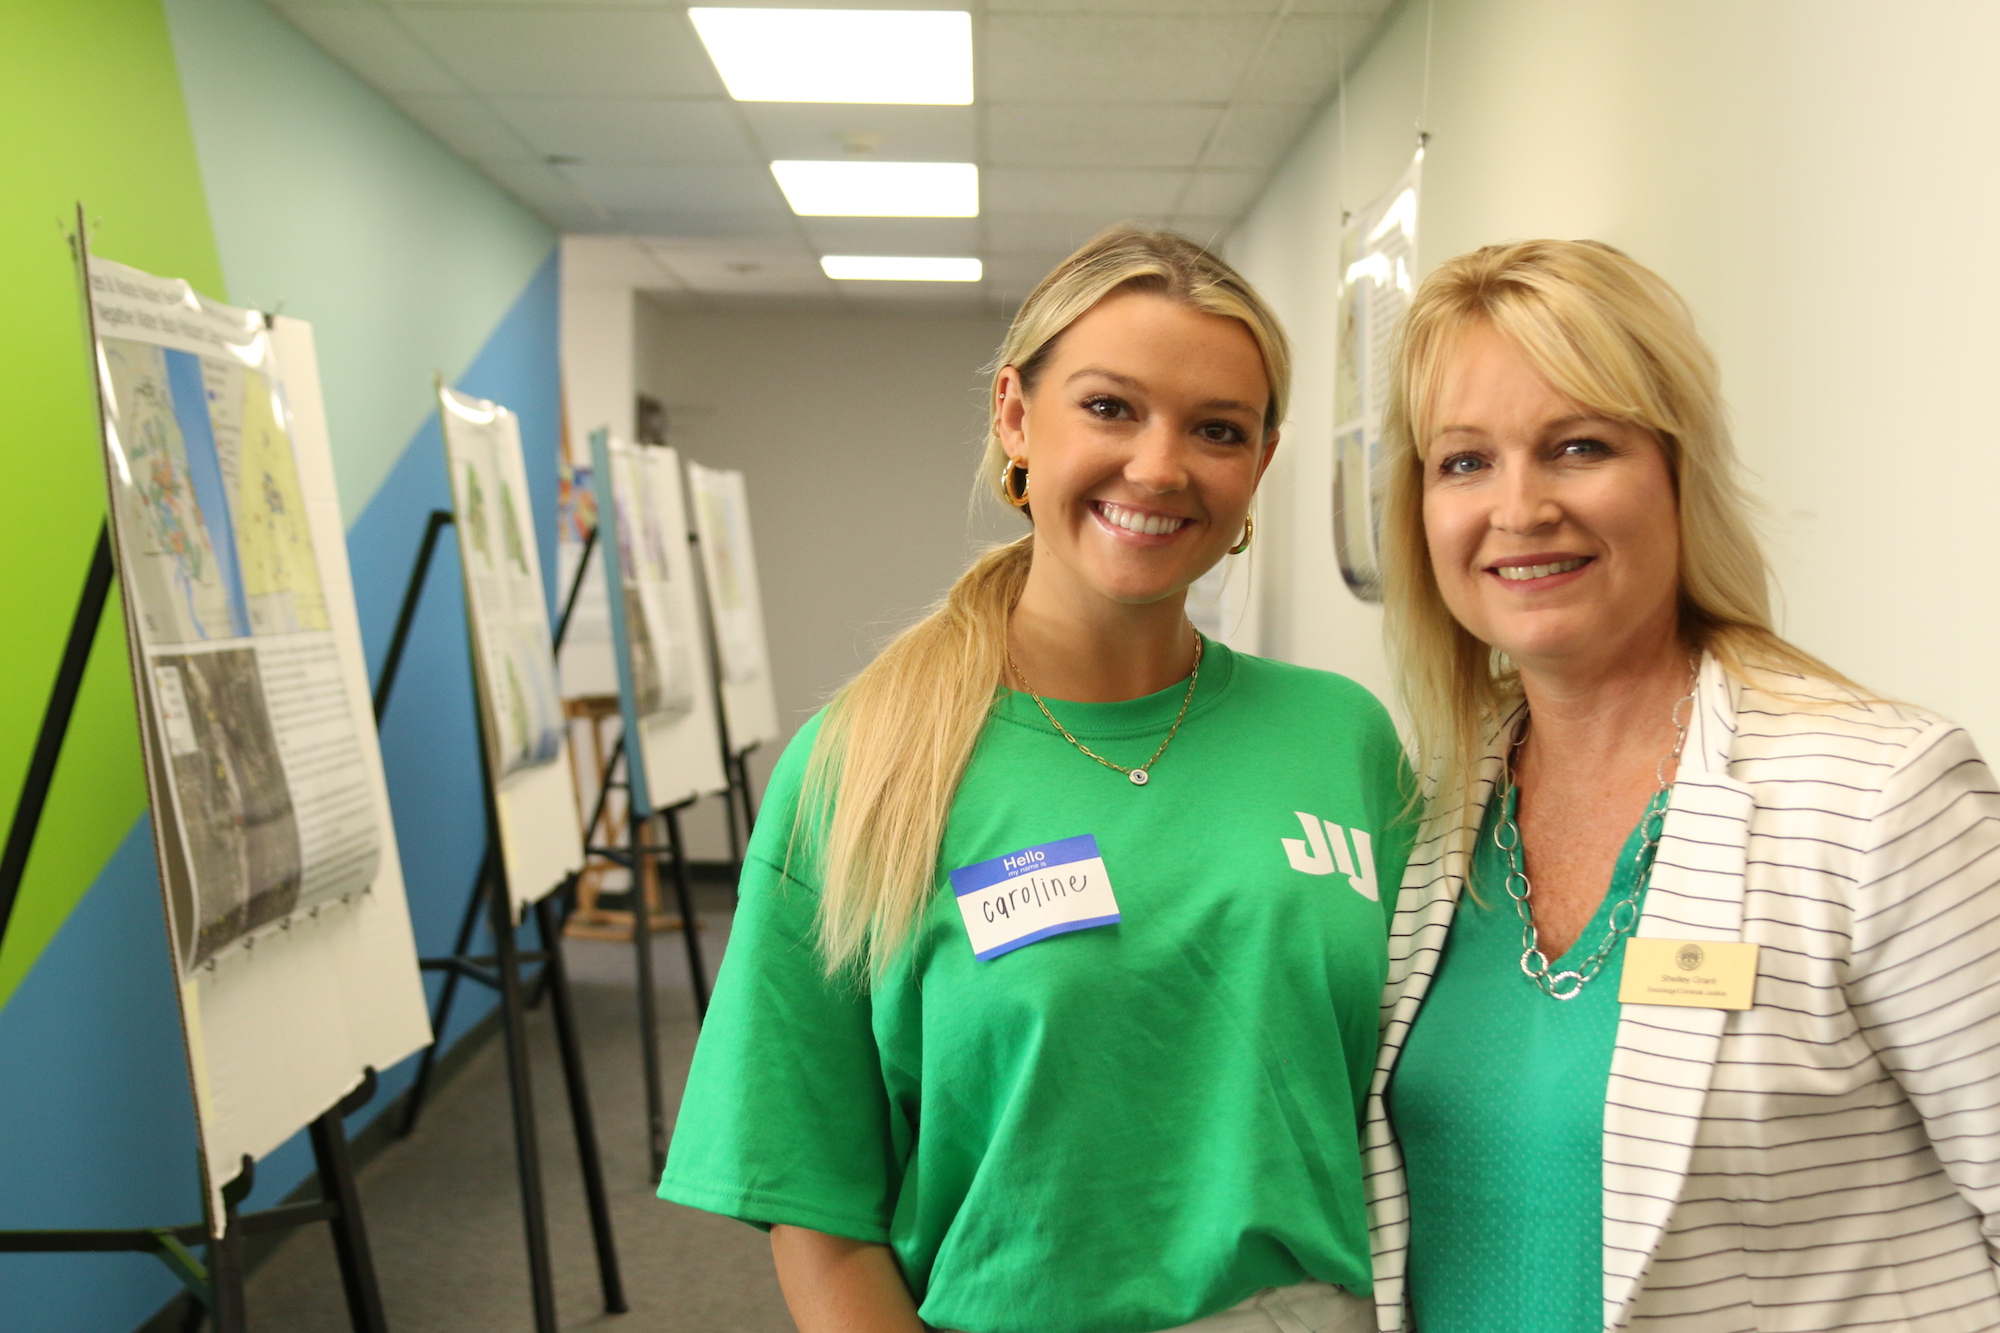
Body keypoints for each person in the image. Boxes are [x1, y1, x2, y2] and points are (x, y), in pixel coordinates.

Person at [658, 228, 1409, 1333]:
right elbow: (811, 1198)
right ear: (1015, 416)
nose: (1157, 466)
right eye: (1110, 408)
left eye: (1214, 429)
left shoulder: (1338, 739)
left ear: (1258, 461)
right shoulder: (865, 764)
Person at [1366, 238, 2000, 1332]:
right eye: (1463, 461)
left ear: (1673, 471)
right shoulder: (1419, 818)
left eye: (1575, 447)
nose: (1518, 507)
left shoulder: (1876, 797)